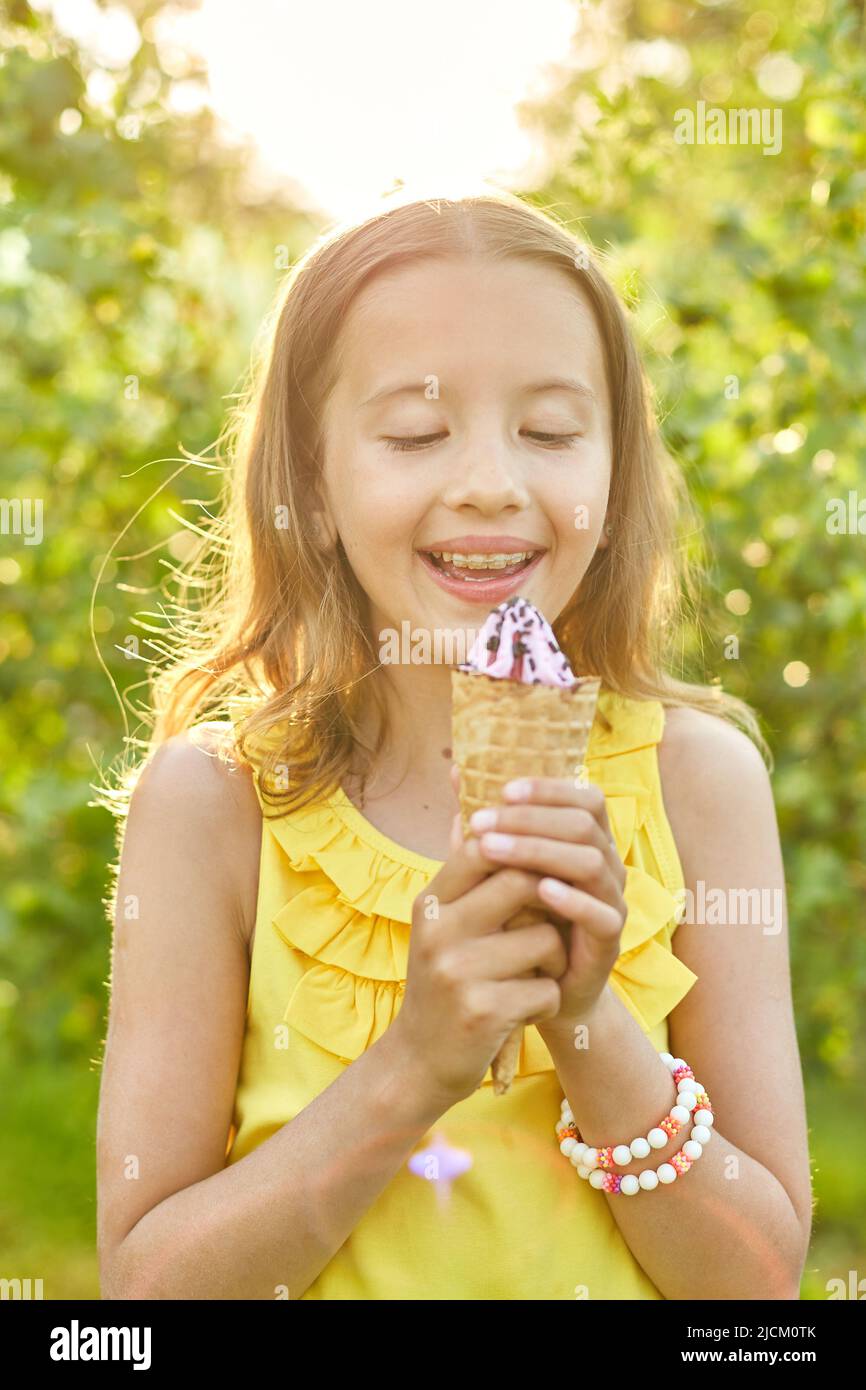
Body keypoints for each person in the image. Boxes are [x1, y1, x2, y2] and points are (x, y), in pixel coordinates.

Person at [95, 185, 812, 1300]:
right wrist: (415, 1062)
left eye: (551, 431)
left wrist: (588, 1022)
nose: (489, 481)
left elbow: (758, 1287)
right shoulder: (215, 805)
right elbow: (146, 1292)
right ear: (313, 485)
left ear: (613, 475)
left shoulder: (697, 783)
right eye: (416, 433)